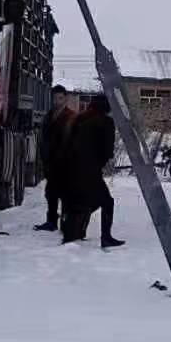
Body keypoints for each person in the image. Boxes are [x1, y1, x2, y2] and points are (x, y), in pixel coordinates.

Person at [61, 93, 125, 248]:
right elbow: (108, 151)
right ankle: (106, 237)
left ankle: (72, 234)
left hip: (70, 169)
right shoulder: (106, 122)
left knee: (78, 201)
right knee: (106, 202)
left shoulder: (78, 119)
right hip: (90, 170)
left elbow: (66, 143)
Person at [33, 86, 77, 232]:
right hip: (50, 161)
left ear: (65, 99)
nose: (57, 102)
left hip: (64, 162)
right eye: (54, 98)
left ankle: (66, 223)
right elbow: (43, 138)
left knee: (65, 194)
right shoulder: (49, 116)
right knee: (51, 192)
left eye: (60, 98)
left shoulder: (71, 117)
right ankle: (51, 221)